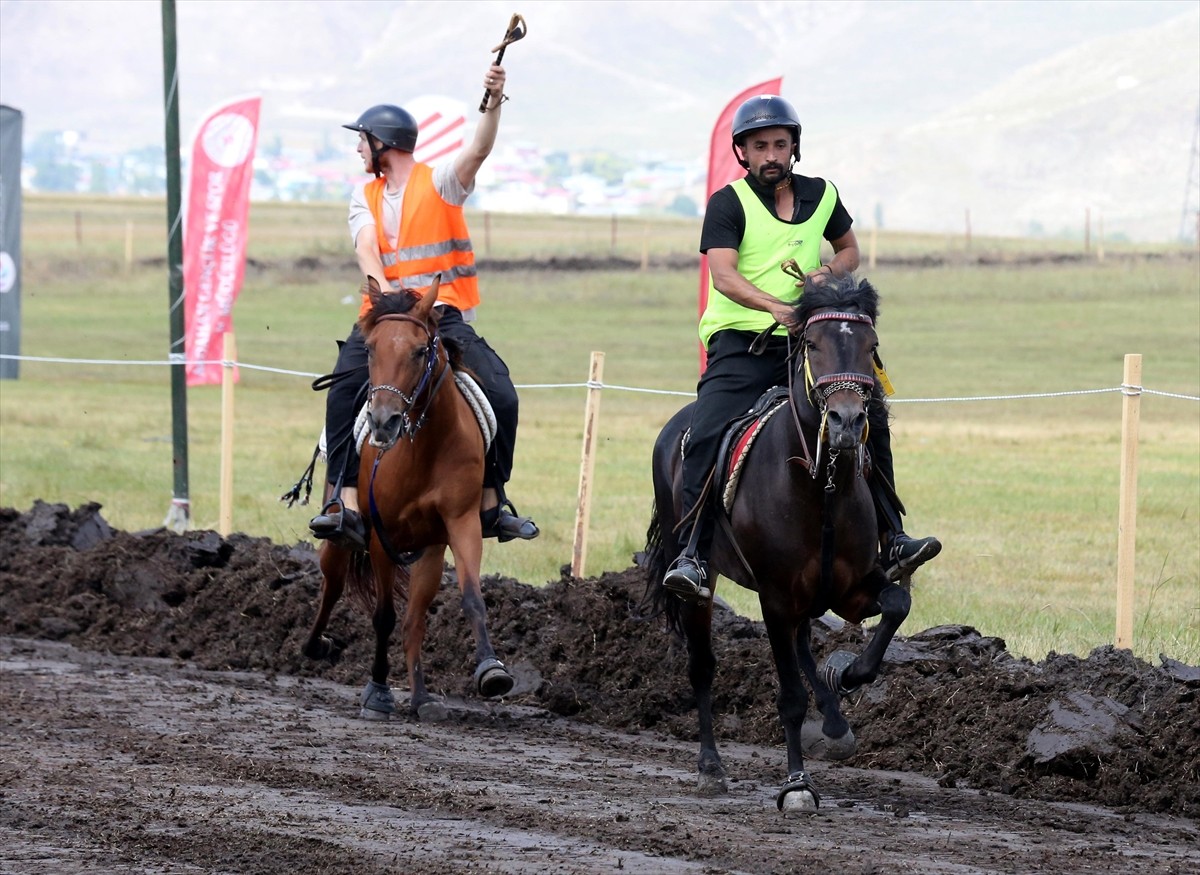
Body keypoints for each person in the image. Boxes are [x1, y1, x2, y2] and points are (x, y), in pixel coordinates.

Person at [662, 94, 940, 602]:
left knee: (870, 413)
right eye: (760, 146)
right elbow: (722, 275)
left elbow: (850, 250)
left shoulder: (822, 195)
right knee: (704, 430)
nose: (771, 154)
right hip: (741, 343)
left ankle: (892, 538)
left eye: (780, 145)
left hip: (809, 343)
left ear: (794, 148)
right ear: (742, 151)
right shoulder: (729, 203)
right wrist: (774, 306)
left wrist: (828, 272)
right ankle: (693, 554)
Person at [308, 62, 539, 550]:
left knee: (502, 394)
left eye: (362, 140)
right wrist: (390, 304)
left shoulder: (441, 183)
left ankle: (493, 501)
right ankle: (343, 500)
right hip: (385, 317)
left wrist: (494, 99)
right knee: (342, 390)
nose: (357, 149)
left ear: (382, 145)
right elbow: (367, 252)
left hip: (444, 315)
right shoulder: (362, 197)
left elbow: (478, 148)